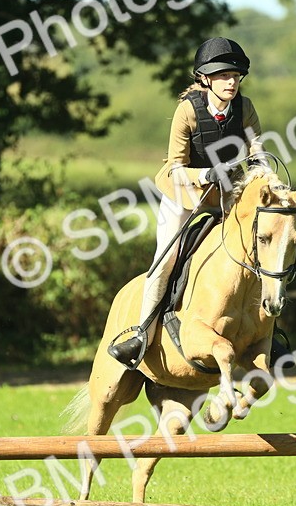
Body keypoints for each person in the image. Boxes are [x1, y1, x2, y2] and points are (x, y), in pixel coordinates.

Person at [108, 37, 265, 368]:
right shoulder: (187, 112)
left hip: (226, 194)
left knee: (255, 254)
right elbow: (176, 168)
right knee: (165, 261)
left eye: (235, 76)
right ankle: (141, 336)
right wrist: (205, 174)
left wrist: (264, 172)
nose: (232, 82)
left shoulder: (245, 108)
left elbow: (257, 151)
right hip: (182, 195)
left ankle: (264, 335)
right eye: (224, 76)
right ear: (206, 79)